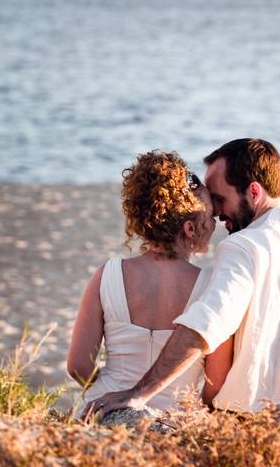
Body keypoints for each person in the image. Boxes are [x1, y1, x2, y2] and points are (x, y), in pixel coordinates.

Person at [84, 138, 280, 443]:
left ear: (254, 192)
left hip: (248, 433)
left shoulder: (243, 247)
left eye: (219, 198)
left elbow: (206, 325)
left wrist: (138, 394)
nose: (214, 212)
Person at [67, 151, 234, 415]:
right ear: (190, 229)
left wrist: (107, 388)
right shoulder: (212, 286)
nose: (215, 226)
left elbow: (77, 366)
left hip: (105, 407)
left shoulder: (107, 275)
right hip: (173, 417)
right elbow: (216, 381)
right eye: (211, 218)